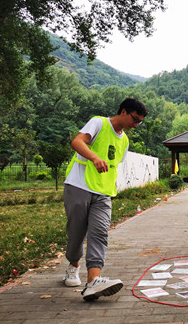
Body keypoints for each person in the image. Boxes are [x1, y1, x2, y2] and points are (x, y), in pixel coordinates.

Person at [63, 98, 148, 301]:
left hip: (104, 193)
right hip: (79, 186)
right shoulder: (99, 123)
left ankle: (93, 281)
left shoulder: (124, 140)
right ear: (124, 111)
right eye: (135, 119)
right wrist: (94, 157)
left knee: (100, 234)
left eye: (139, 122)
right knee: (76, 236)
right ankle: (73, 265)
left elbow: (114, 165)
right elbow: (76, 141)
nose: (135, 125)